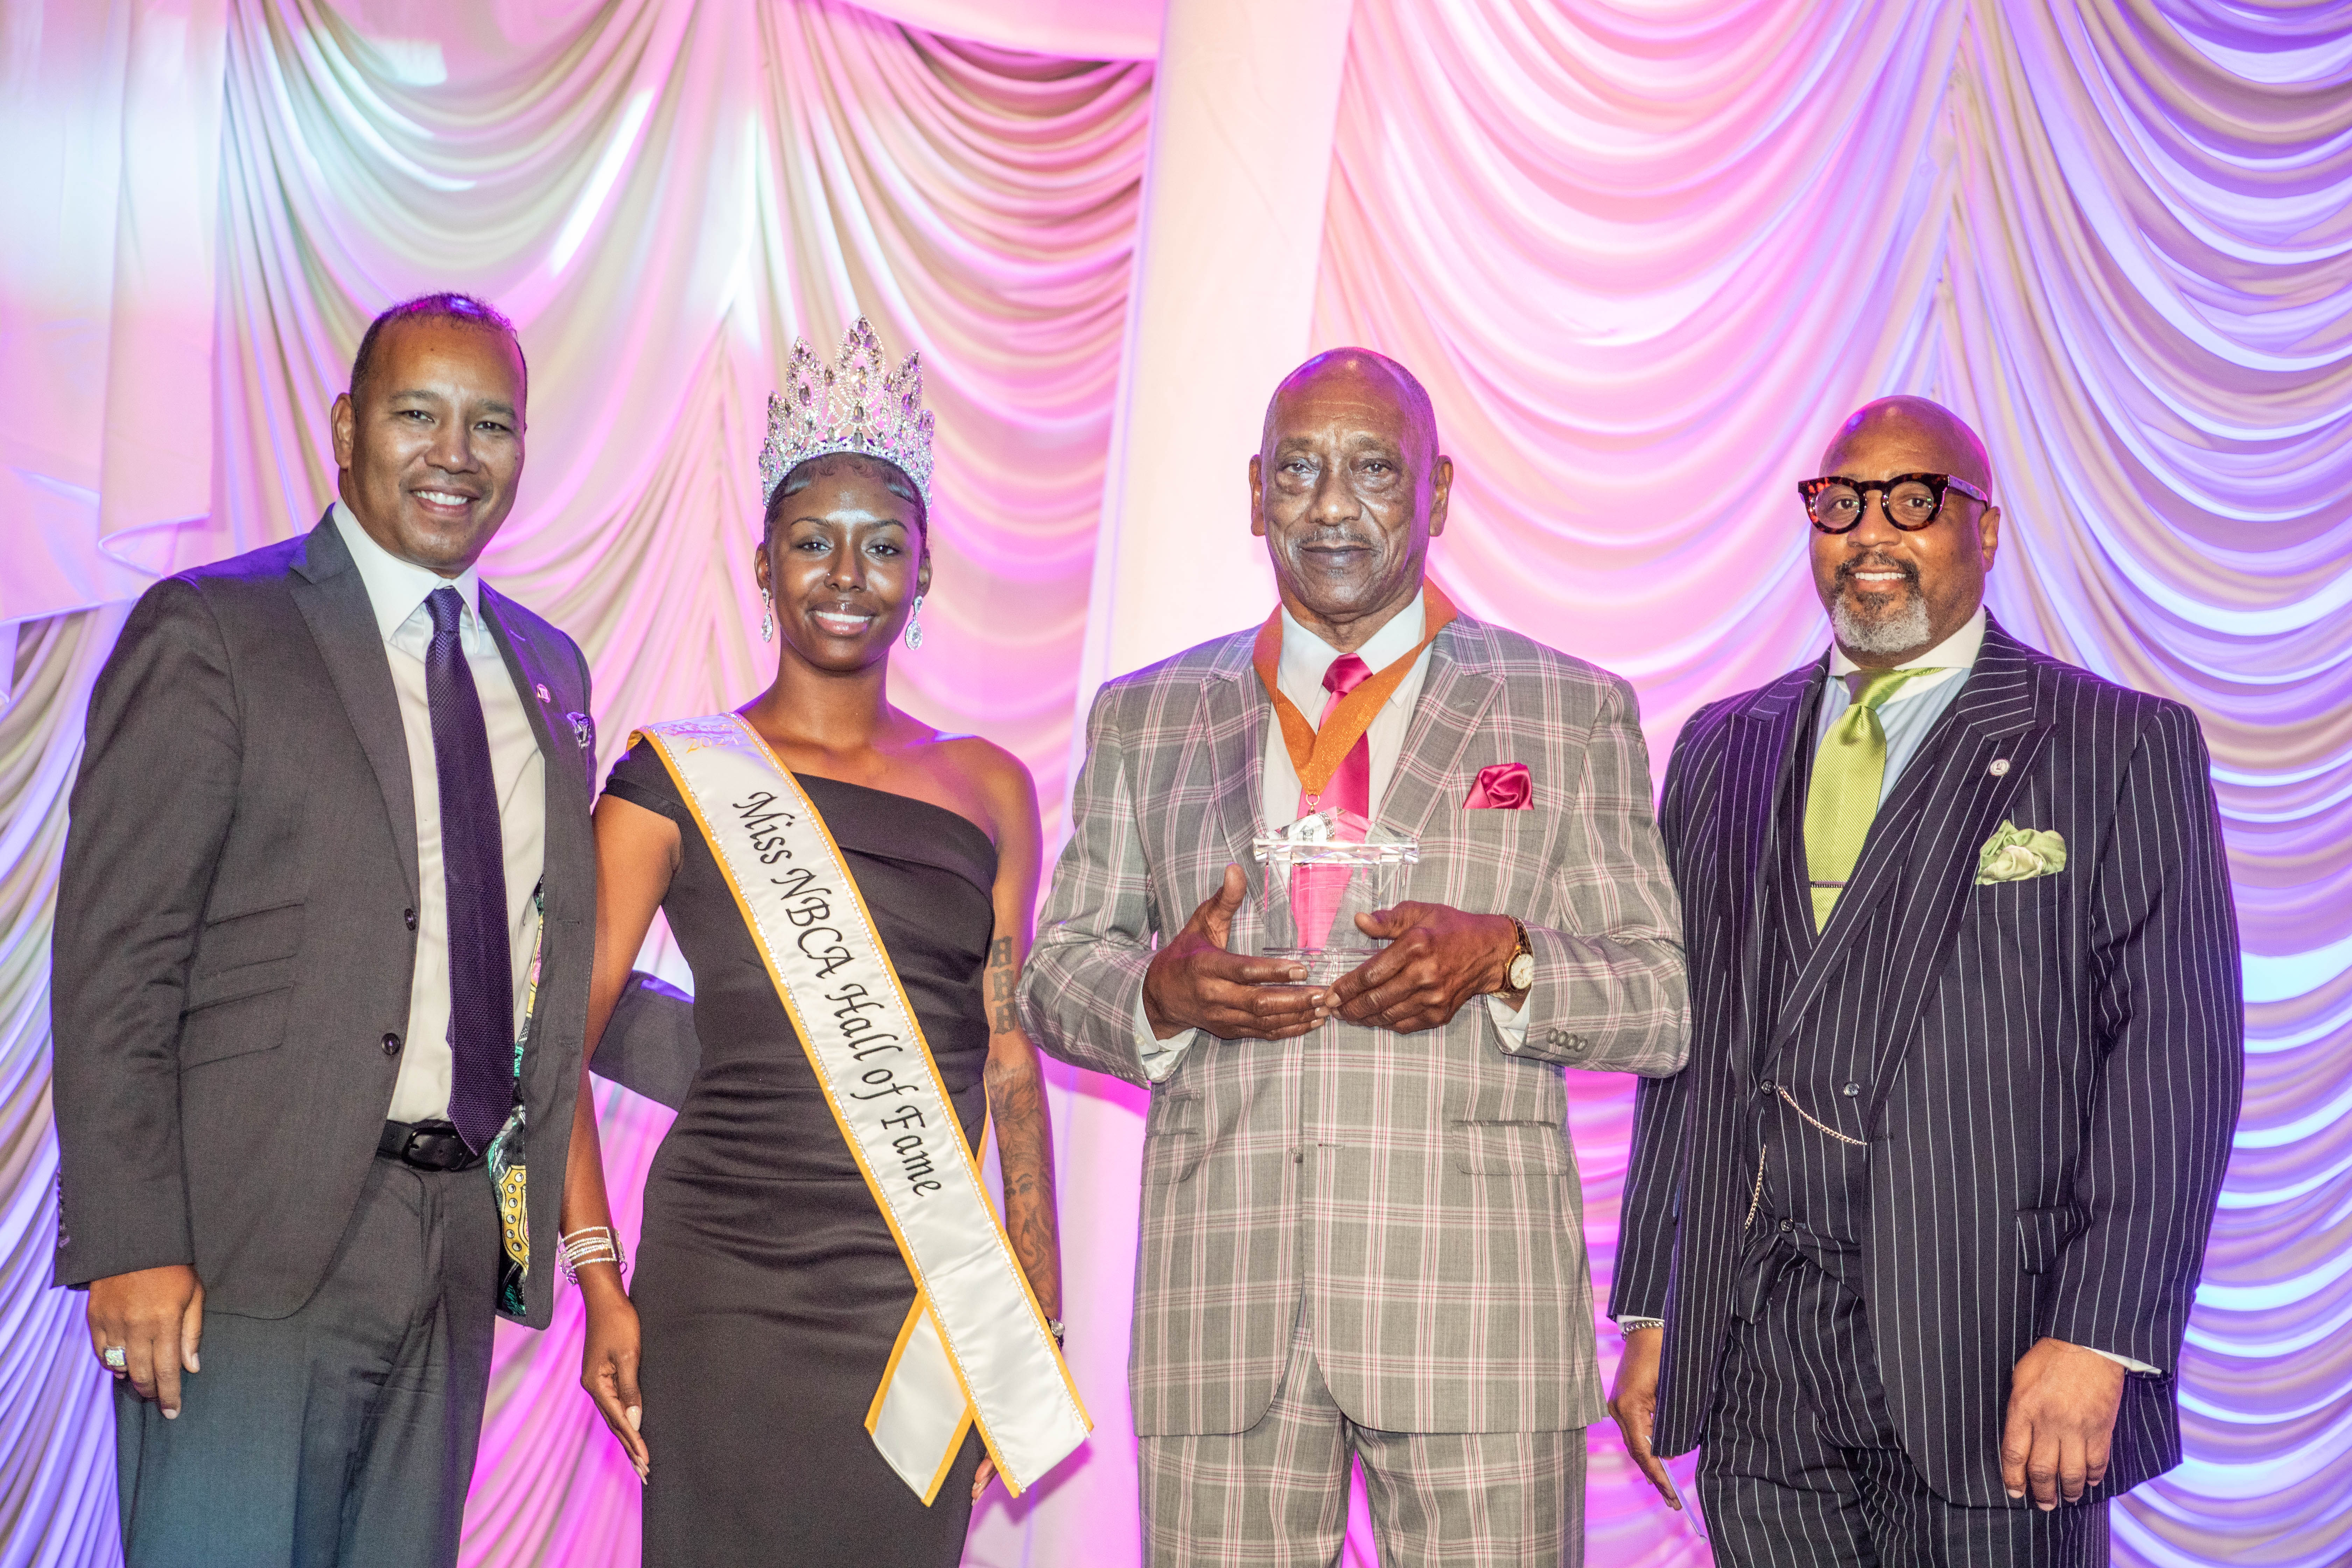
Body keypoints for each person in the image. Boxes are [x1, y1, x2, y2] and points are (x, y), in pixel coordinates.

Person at [1018, 348, 1689, 1566]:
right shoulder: (1147, 714)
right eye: (1300, 472)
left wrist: (1508, 959)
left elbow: (1660, 996)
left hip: (1473, 1322)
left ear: (1436, 497)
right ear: (1254, 492)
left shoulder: (1564, 709)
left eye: (1375, 471)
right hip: (1225, 1319)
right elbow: (1057, 970)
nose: (1333, 507)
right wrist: (1158, 995)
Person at [51, 292, 683, 1566]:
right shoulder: (217, 628)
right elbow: (117, 961)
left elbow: (547, 965)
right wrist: (130, 1241)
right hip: (240, 1251)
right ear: (345, 428)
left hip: (452, 1250)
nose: (456, 453)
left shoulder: (547, 670)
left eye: (491, 424)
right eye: (418, 414)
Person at [1607, 396, 2242, 1566]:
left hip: (1998, 1353)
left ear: (1986, 532)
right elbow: (1678, 1051)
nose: (1872, 532)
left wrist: (2101, 1335)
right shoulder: (1721, 746)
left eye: (1915, 501)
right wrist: (1654, 1312)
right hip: (1761, 1349)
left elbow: (2177, 1064)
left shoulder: (2113, 744)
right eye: (1841, 503)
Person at [563, 319, 1085, 1568]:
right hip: (725, 1278)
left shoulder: (989, 786)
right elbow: (554, 1049)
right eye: (812, 543)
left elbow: (1008, 1053)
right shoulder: (668, 781)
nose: (846, 576)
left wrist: (1034, 1276)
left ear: (924, 571)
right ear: (761, 563)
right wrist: (597, 1280)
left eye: (881, 547)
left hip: (922, 1287)